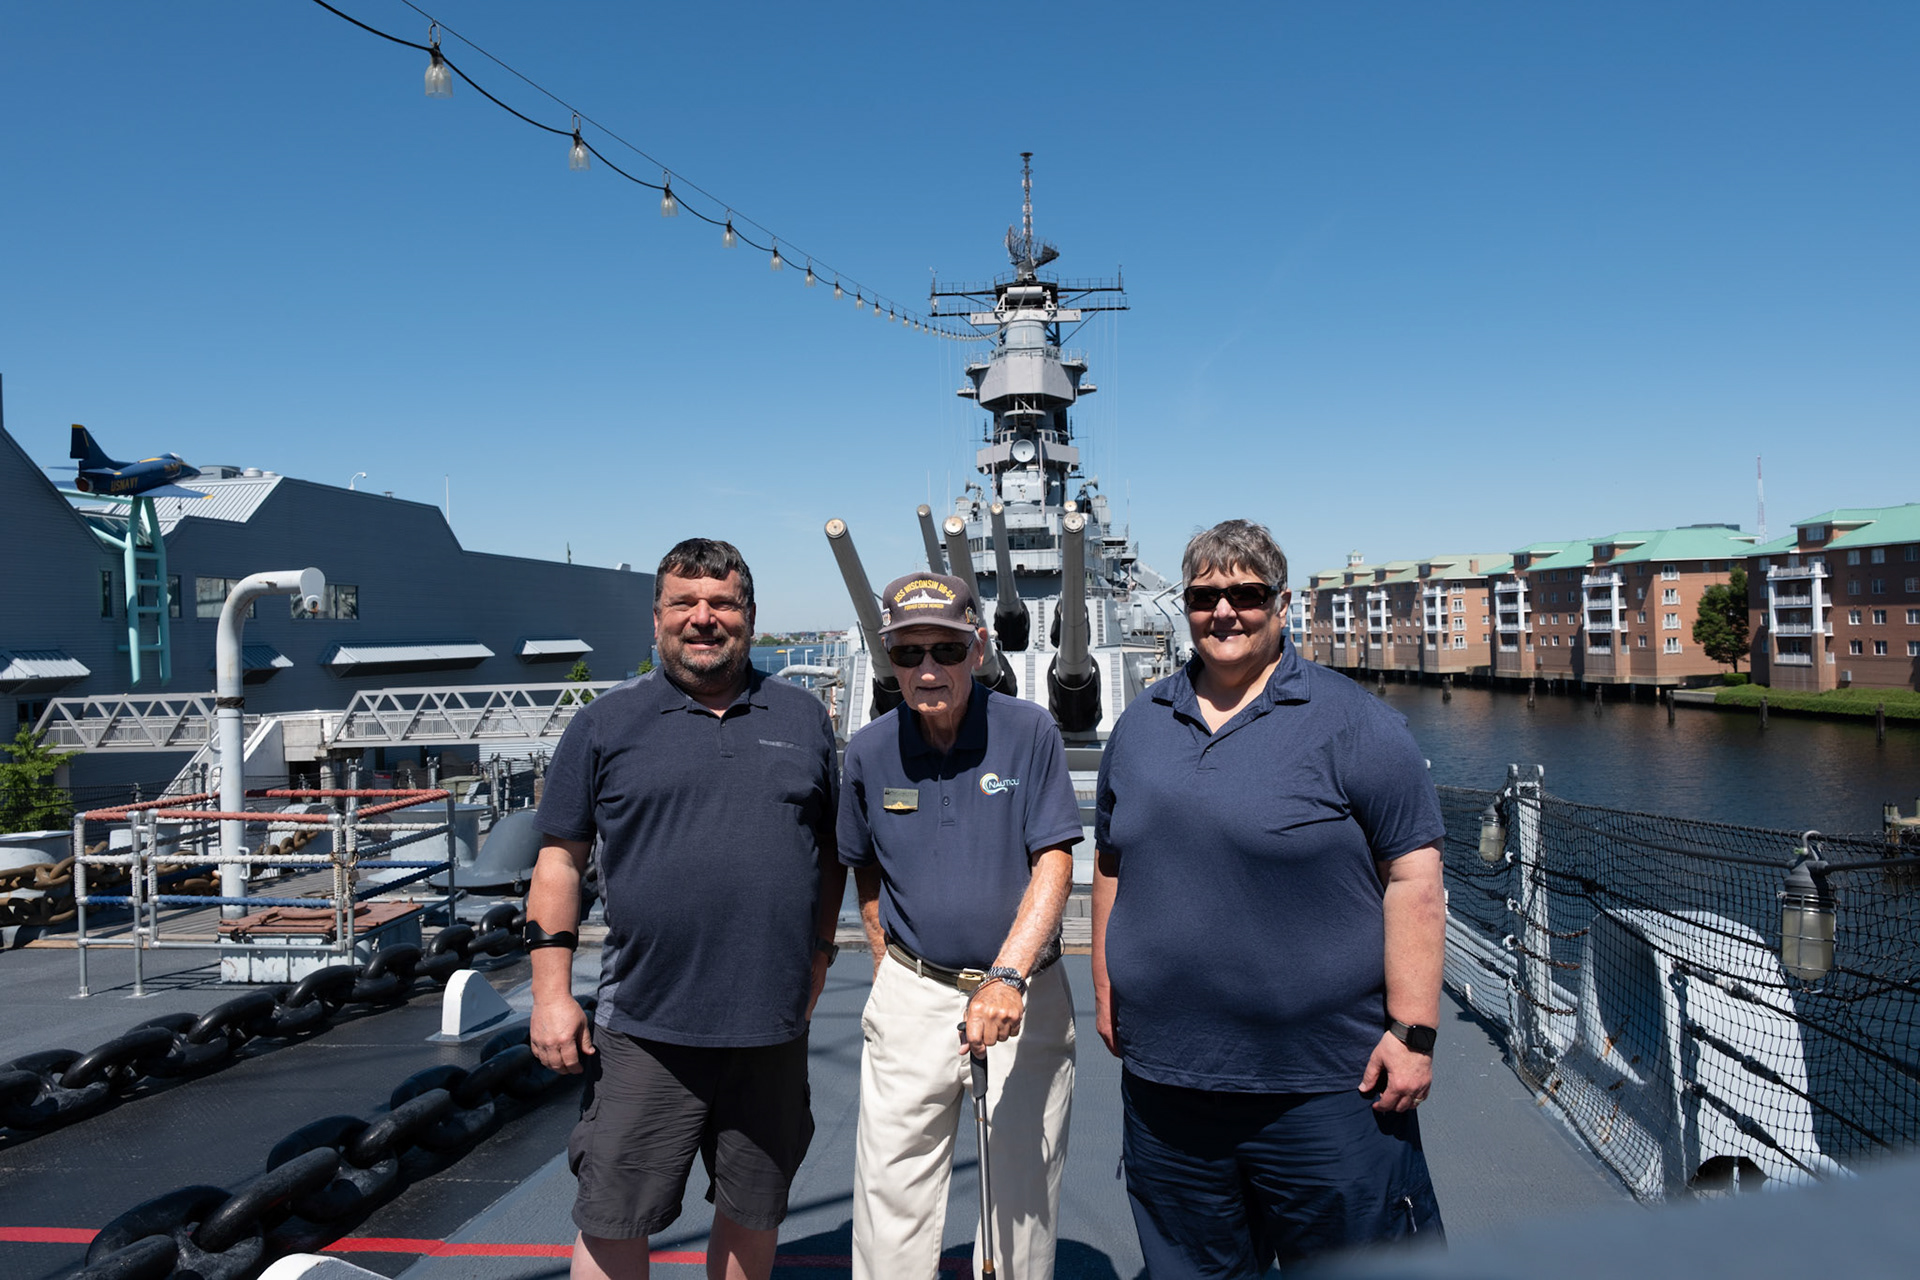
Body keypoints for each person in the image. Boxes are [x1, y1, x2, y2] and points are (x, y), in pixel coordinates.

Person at [1092, 519, 1448, 1275]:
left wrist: (1414, 1032)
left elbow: (1414, 877)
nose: (1225, 612)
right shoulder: (1140, 724)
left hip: (1322, 1085)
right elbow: (1113, 860)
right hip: (1169, 1086)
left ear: (1281, 605)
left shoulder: (1354, 724)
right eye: (1204, 597)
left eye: (1246, 595)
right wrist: (1105, 983)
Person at [527, 537, 845, 1280]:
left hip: (770, 1025)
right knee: (612, 1215)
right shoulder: (606, 725)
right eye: (685, 603)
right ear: (660, 616)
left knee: (754, 1210)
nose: (704, 618)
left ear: (750, 615)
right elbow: (558, 861)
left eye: (723, 603)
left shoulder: (804, 720)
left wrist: (821, 954)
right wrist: (549, 996)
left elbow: (831, 853)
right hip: (645, 1026)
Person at [838, 572, 1081, 1280]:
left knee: (1022, 1200)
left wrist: (1007, 974)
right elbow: (866, 871)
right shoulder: (868, 750)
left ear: (978, 648)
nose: (927, 669)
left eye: (944, 649)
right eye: (907, 655)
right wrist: (891, 974)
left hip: (1022, 991)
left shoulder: (1028, 730)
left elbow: (1055, 861)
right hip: (915, 991)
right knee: (890, 1197)